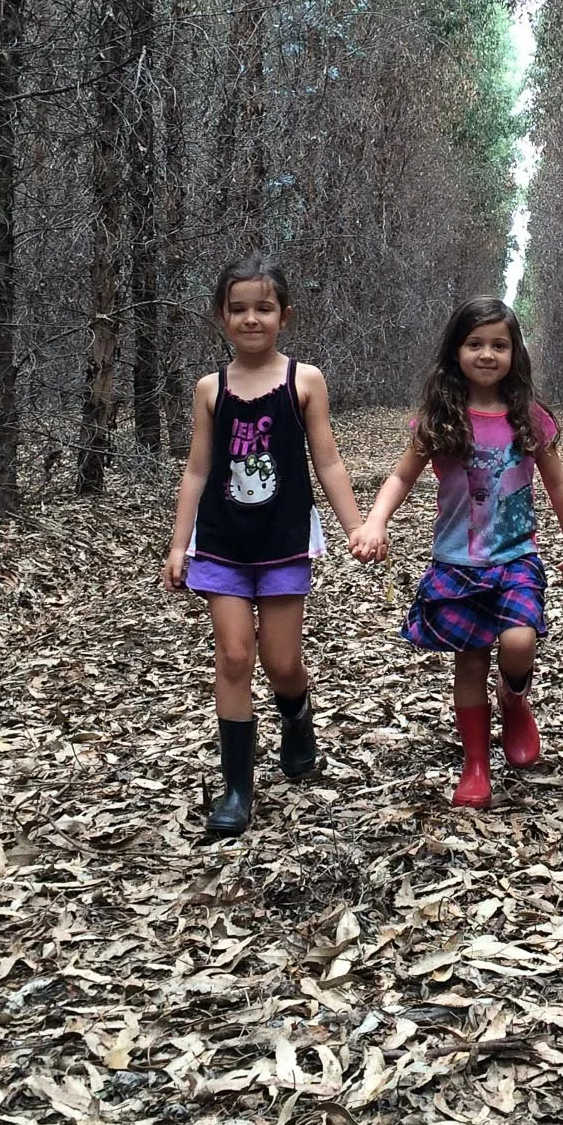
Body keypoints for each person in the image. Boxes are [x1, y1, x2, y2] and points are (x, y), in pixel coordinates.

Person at [350, 297, 563, 808]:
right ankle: (476, 764)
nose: (487, 354)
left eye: (499, 345)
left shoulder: (530, 419)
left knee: (519, 642)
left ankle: (515, 699)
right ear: (456, 351)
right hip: (457, 562)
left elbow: (559, 487)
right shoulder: (441, 418)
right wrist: (375, 520)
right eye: (475, 343)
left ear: (515, 353)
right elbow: (401, 476)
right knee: (470, 663)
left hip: (516, 556)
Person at [162, 256, 367, 839]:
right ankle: (236, 788)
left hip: (283, 541)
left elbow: (327, 461)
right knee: (234, 656)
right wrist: (179, 545)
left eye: (264, 308)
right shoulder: (211, 389)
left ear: (284, 315)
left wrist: (356, 526)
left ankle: (296, 715)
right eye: (238, 309)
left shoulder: (305, 381)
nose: (251, 319)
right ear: (221, 317)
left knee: (280, 663)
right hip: (221, 542)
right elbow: (197, 470)